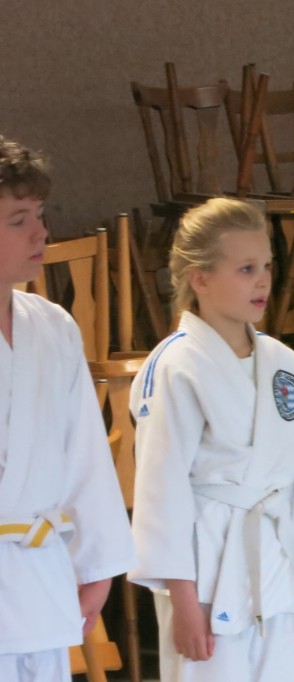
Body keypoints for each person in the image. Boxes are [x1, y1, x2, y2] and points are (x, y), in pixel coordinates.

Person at [130, 197, 294, 681]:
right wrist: (182, 601)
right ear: (200, 279)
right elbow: (161, 489)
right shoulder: (176, 365)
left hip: (275, 557)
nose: (263, 281)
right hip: (205, 565)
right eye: (246, 269)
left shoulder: (284, 364)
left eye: (266, 266)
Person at [0, 136, 135, 681]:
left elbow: (84, 451)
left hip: (40, 570)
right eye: (18, 220)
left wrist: (96, 562)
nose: (41, 233)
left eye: (39, 215)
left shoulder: (52, 327)